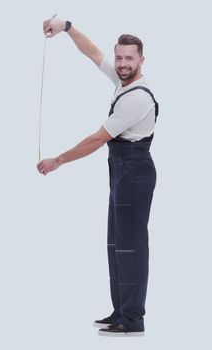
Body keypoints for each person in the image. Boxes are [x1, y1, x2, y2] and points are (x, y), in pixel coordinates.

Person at [37, 17, 158, 337]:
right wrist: (67, 27)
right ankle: (121, 311)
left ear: (141, 60)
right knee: (117, 243)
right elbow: (92, 53)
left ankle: (133, 318)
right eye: (118, 57)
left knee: (131, 245)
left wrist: (58, 160)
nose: (121, 63)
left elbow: (96, 139)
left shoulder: (137, 97)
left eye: (129, 58)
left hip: (134, 169)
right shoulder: (123, 81)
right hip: (121, 170)